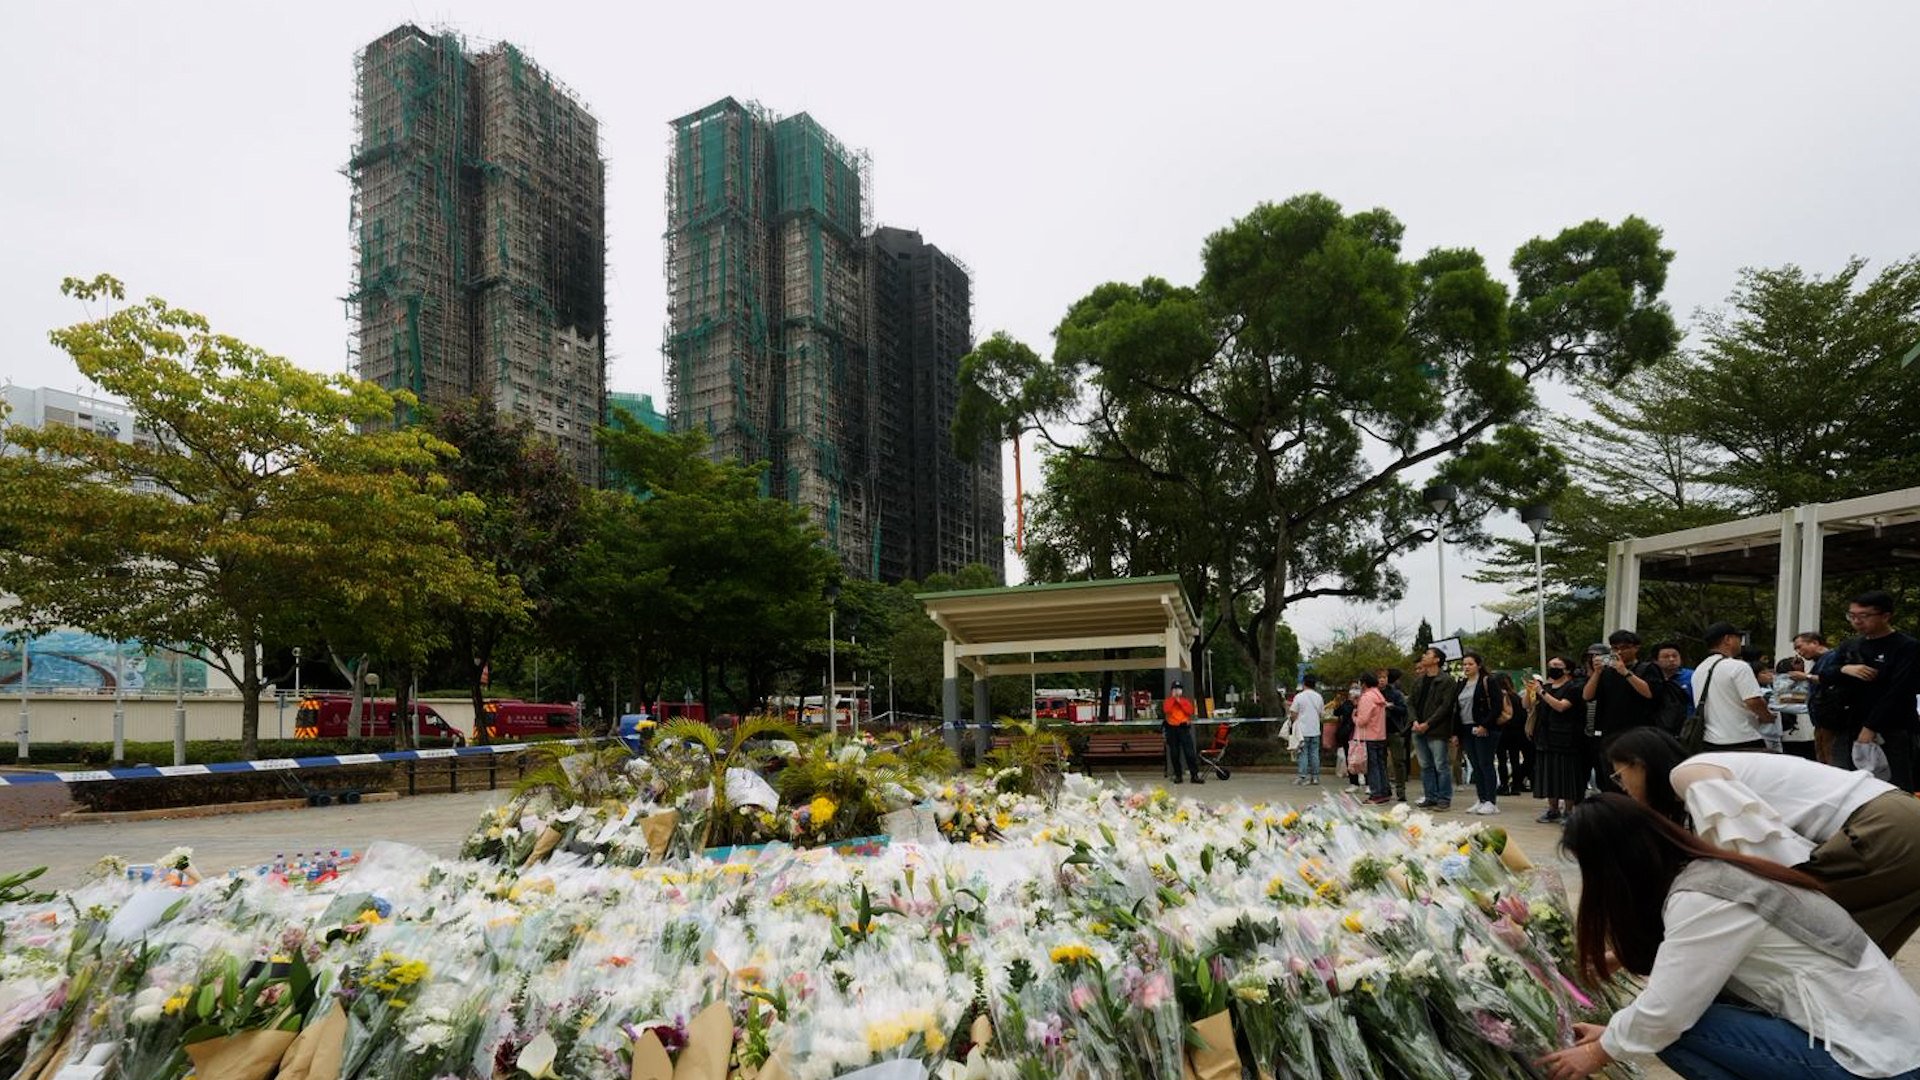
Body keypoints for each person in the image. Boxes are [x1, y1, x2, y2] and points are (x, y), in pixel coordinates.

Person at [1538, 794, 1920, 1080]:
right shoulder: (1712, 872)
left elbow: (1668, 1012)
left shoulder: (1704, 899)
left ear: (1616, 866)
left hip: (1876, 1058)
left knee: (1678, 1031)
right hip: (1883, 1037)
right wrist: (1614, 1034)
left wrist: (1598, 1052)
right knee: (1666, 1026)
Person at [1606, 727, 1920, 957]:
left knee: (1796, 937)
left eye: (1619, 776)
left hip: (1880, 828)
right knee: (1852, 950)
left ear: (1639, 763)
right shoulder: (1717, 768)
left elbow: (1747, 863)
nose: (1623, 788)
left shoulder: (1687, 773)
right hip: (1899, 817)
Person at [1841, 590, 1919, 792]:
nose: (1857, 621)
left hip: (1894, 729)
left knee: (1896, 786)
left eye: (1864, 616)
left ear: (1886, 616)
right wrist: (1844, 668)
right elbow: (1824, 673)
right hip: (1853, 725)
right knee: (1859, 784)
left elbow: (1899, 691)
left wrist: (1870, 727)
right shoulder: (1852, 645)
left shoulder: (1907, 647)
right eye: (1852, 615)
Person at [1582, 630, 1664, 790]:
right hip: (1610, 734)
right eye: (1614, 648)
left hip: (1638, 733)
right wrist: (1597, 672)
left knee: (1637, 779)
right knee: (1610, 780)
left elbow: (1650, 693)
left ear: (1636, 648)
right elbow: (1587, 696)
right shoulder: (1606, 672)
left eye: (1624, 647)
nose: (1619, 652)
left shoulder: (1647, 668)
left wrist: (1625, 672)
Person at [1692, 622, 1772, 752]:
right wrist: (1768, 717)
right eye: (1738, 638)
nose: (1740, 642)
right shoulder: (1738, 666)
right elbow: (1753, 701)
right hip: (1743, 740)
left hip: (1710, 742)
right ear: (1727, 639)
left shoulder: (1699, 670)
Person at [1531, 657, 1585, 823]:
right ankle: (1552, 809)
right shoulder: (1545, 687)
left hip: (1566, 738)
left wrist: (1542, 692)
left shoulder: (1574, 687)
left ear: (1567, 669)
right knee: (1549, 775)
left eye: (1557, 665)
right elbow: (1527, 705)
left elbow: (1561, 706)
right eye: (1550, 666)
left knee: (1566, 775)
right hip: (1545, 737)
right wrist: (1530, 691)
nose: (1552, 668)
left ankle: (1569, 811)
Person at [1457, 652, 1507, 815]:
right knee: (1475, 765)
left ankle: (1491, 801)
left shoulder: (1488, 681)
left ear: (1478, 665)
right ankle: (1481, 798)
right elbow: (1456, 708)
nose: (1466, 667)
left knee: (1486, 763)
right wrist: (1455, 732)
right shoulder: (1462, 683)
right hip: (1466, 728)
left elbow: (1497, 705)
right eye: (1464, 664)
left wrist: (1485, 724)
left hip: (1484, 727)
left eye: (1470, 664)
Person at [1410, 647, 1458, 811]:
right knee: (1425, 765)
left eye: (1428, 654)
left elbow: (1445, 707)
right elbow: (1410, 703)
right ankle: (1430, 796)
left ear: (1437, 659)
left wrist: (1428, 723)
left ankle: (1444, 798)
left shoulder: (1447, 680)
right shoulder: (1419, 680)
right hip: (1418, 728)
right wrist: (1415, 721)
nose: (1424, 656)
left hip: (1436, 729)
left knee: (1441, 765)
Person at [1790, 630, 1847, 767]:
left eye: (1800, 646)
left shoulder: (1833, 657)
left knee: (1831, 757)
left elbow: (1832, 680)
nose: (1799, 652)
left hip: (1832, 717)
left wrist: (1806, 677)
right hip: (1820, 719)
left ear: (1815, 643)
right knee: (1822, 756)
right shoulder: (1819, 662)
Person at [1354, 671, 1391, 804]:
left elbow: (1363, 720)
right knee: (1381, 765)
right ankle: (1384, 791)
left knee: (1372, 766)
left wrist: (1355, 717)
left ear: (1363, 683)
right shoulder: (1379, 695)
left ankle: (1376, 794)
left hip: (1369, 736)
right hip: (1380, 735)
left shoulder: (1367, 697)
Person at [1495, 671, 1531, 796]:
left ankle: (1504, 785)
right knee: (1515, 759)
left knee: (1502, 760)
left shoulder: (1498, 697)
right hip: (1516, 732)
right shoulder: (1516, 697)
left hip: (1501, 730)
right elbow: (1523, 715)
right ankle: (1516, 785)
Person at [1161, 681, 1202, 785]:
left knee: (1190, 753)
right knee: (1174, 754)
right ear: (1172, 690)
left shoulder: (1185, 701)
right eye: (1175, 689)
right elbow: (1167, 710)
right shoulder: (1168, 701)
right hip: (1172, 729)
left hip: (1183, 728)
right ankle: (1178, 776)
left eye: (1178, 689)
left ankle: (1194, 775)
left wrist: (1179, 701)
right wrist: (1174, 699)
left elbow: (1189, 711)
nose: (1177, 691)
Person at [1381, 667, 1412, 803]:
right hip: (1378, 732)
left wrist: (1391, 707)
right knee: (1380, 762)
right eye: (1379, 678)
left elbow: (1404, 710)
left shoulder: (1396, 694)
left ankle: (1401, 790)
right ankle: (1384, 788)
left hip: (1394, 731)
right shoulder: (1372, 694)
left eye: (1384, 677)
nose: (1381, 680)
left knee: (1398, 761)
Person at [1289, 676, 1324, 786]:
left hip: (1302, 731)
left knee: (1303, 753)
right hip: (1315, 729)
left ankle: (1302, 776)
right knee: (1314, 753)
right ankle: (1315, 777)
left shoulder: (1299, 697)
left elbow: (1293, 713)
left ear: (1304, 683)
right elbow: (1321, 714)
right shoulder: (1319, 697)